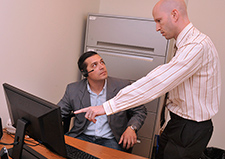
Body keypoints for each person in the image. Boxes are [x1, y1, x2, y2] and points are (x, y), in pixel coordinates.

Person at [74, 0, 221, 158]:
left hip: (190, 128)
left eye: (159, 21)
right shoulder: (185, 45)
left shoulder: (196, 46)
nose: (157, 28)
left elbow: (158, 81)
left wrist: (106, 107)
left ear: (174, 14)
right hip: (178, 123)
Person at [58, 51, 147, 152]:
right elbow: (58, 113)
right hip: (82, 136)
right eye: (94, 65)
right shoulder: (73, 89)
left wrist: (132, 128)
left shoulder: (122, 86)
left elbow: (140, 111)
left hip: (111, 140)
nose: (101, 67)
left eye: (102, 62)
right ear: (84, 72)